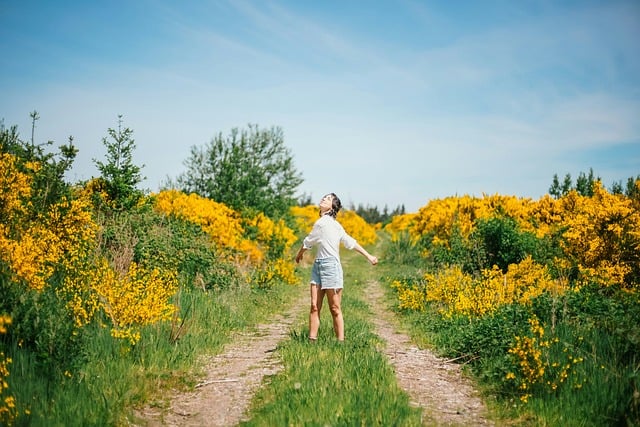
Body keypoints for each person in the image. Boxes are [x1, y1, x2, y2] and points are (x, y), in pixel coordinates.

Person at [295, 193, 378, 342]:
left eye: (327, 199)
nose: (323, 199)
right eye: (323, 197)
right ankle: (311, 341)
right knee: (314, 306)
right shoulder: (320, 223)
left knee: (335, 308)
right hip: (318, 266)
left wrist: (369, 256)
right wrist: (299, 254)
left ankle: (341, 342)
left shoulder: (335, 225)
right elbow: (308, 241)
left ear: (333, 206)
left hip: (331, 266)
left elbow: (350, 242)